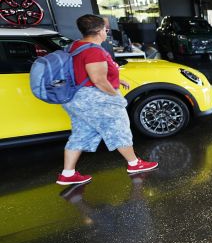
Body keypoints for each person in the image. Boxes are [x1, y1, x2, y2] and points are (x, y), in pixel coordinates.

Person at [56, 14, 158, 185]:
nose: (106, 32)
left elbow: (85, 73)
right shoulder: (93, 50)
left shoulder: (75, 46)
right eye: (105, 29)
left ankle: (68, 173)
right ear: (98, 31)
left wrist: (117, 80)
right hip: (95, 98)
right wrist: (115, 97)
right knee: (118, 128)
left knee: (81, 133)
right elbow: (98, 80)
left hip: (77, 98)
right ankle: (134, 164)